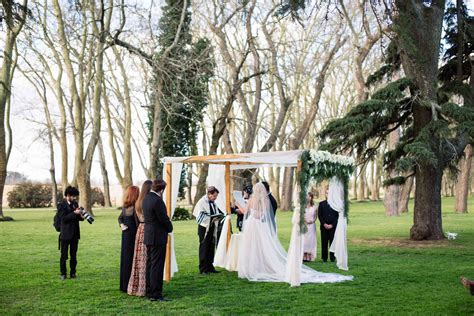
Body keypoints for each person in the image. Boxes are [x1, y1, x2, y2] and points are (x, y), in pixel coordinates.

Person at [235, 182, 352, 284]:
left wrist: (238, 204)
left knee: (252, 247)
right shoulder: (265, 201)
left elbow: (245, 211)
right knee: (261, 247)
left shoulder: (251, 200)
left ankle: (253, 268)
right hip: (259, 225)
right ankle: (261, 266)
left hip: (252, 225)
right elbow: (264, 215)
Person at [143, 179, 173, 302]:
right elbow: (163, 219)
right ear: (161, 189)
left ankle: (149, 290)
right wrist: (170, 227)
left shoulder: (146, 198)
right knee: (157, 265)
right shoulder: (157, 201)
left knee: (150, 264)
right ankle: (155, 293)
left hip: (149, 235)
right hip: (158, 236)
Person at [193, 186, 226, 274]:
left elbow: (216, 212)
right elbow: (200, 215)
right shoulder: (202, 202)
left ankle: (210, 267)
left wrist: (220, 215)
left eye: (216, 196)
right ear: (209, 194)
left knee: (211, 247)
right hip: (204, 228)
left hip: (212, 227)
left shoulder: (213, 202)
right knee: (204, 248)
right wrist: (212, 217)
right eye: (214, 196)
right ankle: (203, 268)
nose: (215, 198)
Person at [128, 180, 152, 297]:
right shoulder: (147, 202)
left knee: (138, 259)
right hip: (147, 229)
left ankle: (135, 286)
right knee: (145, 259)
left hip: (140, 230)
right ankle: (144, 287)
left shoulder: (138, 202)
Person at [58, 186, 83, 280]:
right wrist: (74, 213)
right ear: (68, 195)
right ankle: (63, 273)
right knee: (64, 255)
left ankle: (73, 273)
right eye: (73, 196)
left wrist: (81, 216)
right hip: (65, 234)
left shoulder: (75, 203)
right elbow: (63, 219)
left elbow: (77, 217)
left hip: (75, 234)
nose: (74, 198)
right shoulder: (61, 205)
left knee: (74, 255)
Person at [119, 185, 140, 292]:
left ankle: (124, 284)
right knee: (132, 259)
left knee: (126, 259)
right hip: (132, 236)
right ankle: (130, 284)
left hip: (126, 236)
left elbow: (120, 218)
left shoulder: (125, 206)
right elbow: (138, 223)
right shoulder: (135, 208)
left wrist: (122, 224)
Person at [318, 190, 339, 262]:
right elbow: (320, 216)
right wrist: (324, 224)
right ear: (325, 194)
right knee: (324, 242)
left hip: (332, 227)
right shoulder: (321, 204)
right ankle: (324, 258)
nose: (328, 194)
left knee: (332, 242)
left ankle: (332, 257)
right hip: (324, 227)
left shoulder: (335, 204)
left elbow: (337, 217)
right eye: (327, 193)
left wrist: (332, 225)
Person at [303, 192, 317, 262]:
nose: (308, 198)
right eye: (307, 196)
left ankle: (309, 255)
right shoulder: (303, 206)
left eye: (309, 196)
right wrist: (305, 221)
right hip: (305, 225)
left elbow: (316, 217)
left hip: (312, 226)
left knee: (311, 240)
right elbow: (302, 215)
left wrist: (312, 221)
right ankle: (304, 255)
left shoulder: (314, 207)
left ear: (311, 198)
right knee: (305, 240)